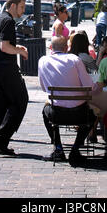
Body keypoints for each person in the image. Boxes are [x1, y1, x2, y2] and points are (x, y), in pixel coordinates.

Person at [38, 36, 98, 166]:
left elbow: (44, 88)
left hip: (56, 114)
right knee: (92, 115)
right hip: (79, 113)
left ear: (51, 48)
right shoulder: (75, 60)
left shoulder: (43, 61)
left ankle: (58, 147)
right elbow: (88, 86)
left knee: (45, 111)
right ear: (67, 48)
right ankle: (75, 149)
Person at [0, 0, 29, 156]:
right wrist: (19, 51)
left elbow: (2, 45)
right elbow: (4, 47)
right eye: (21, 7)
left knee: (2, 104)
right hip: (6, 69)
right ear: (12, 6)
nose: (23, 11)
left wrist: (16, 47)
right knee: (20, 101)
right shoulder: (8, 21)